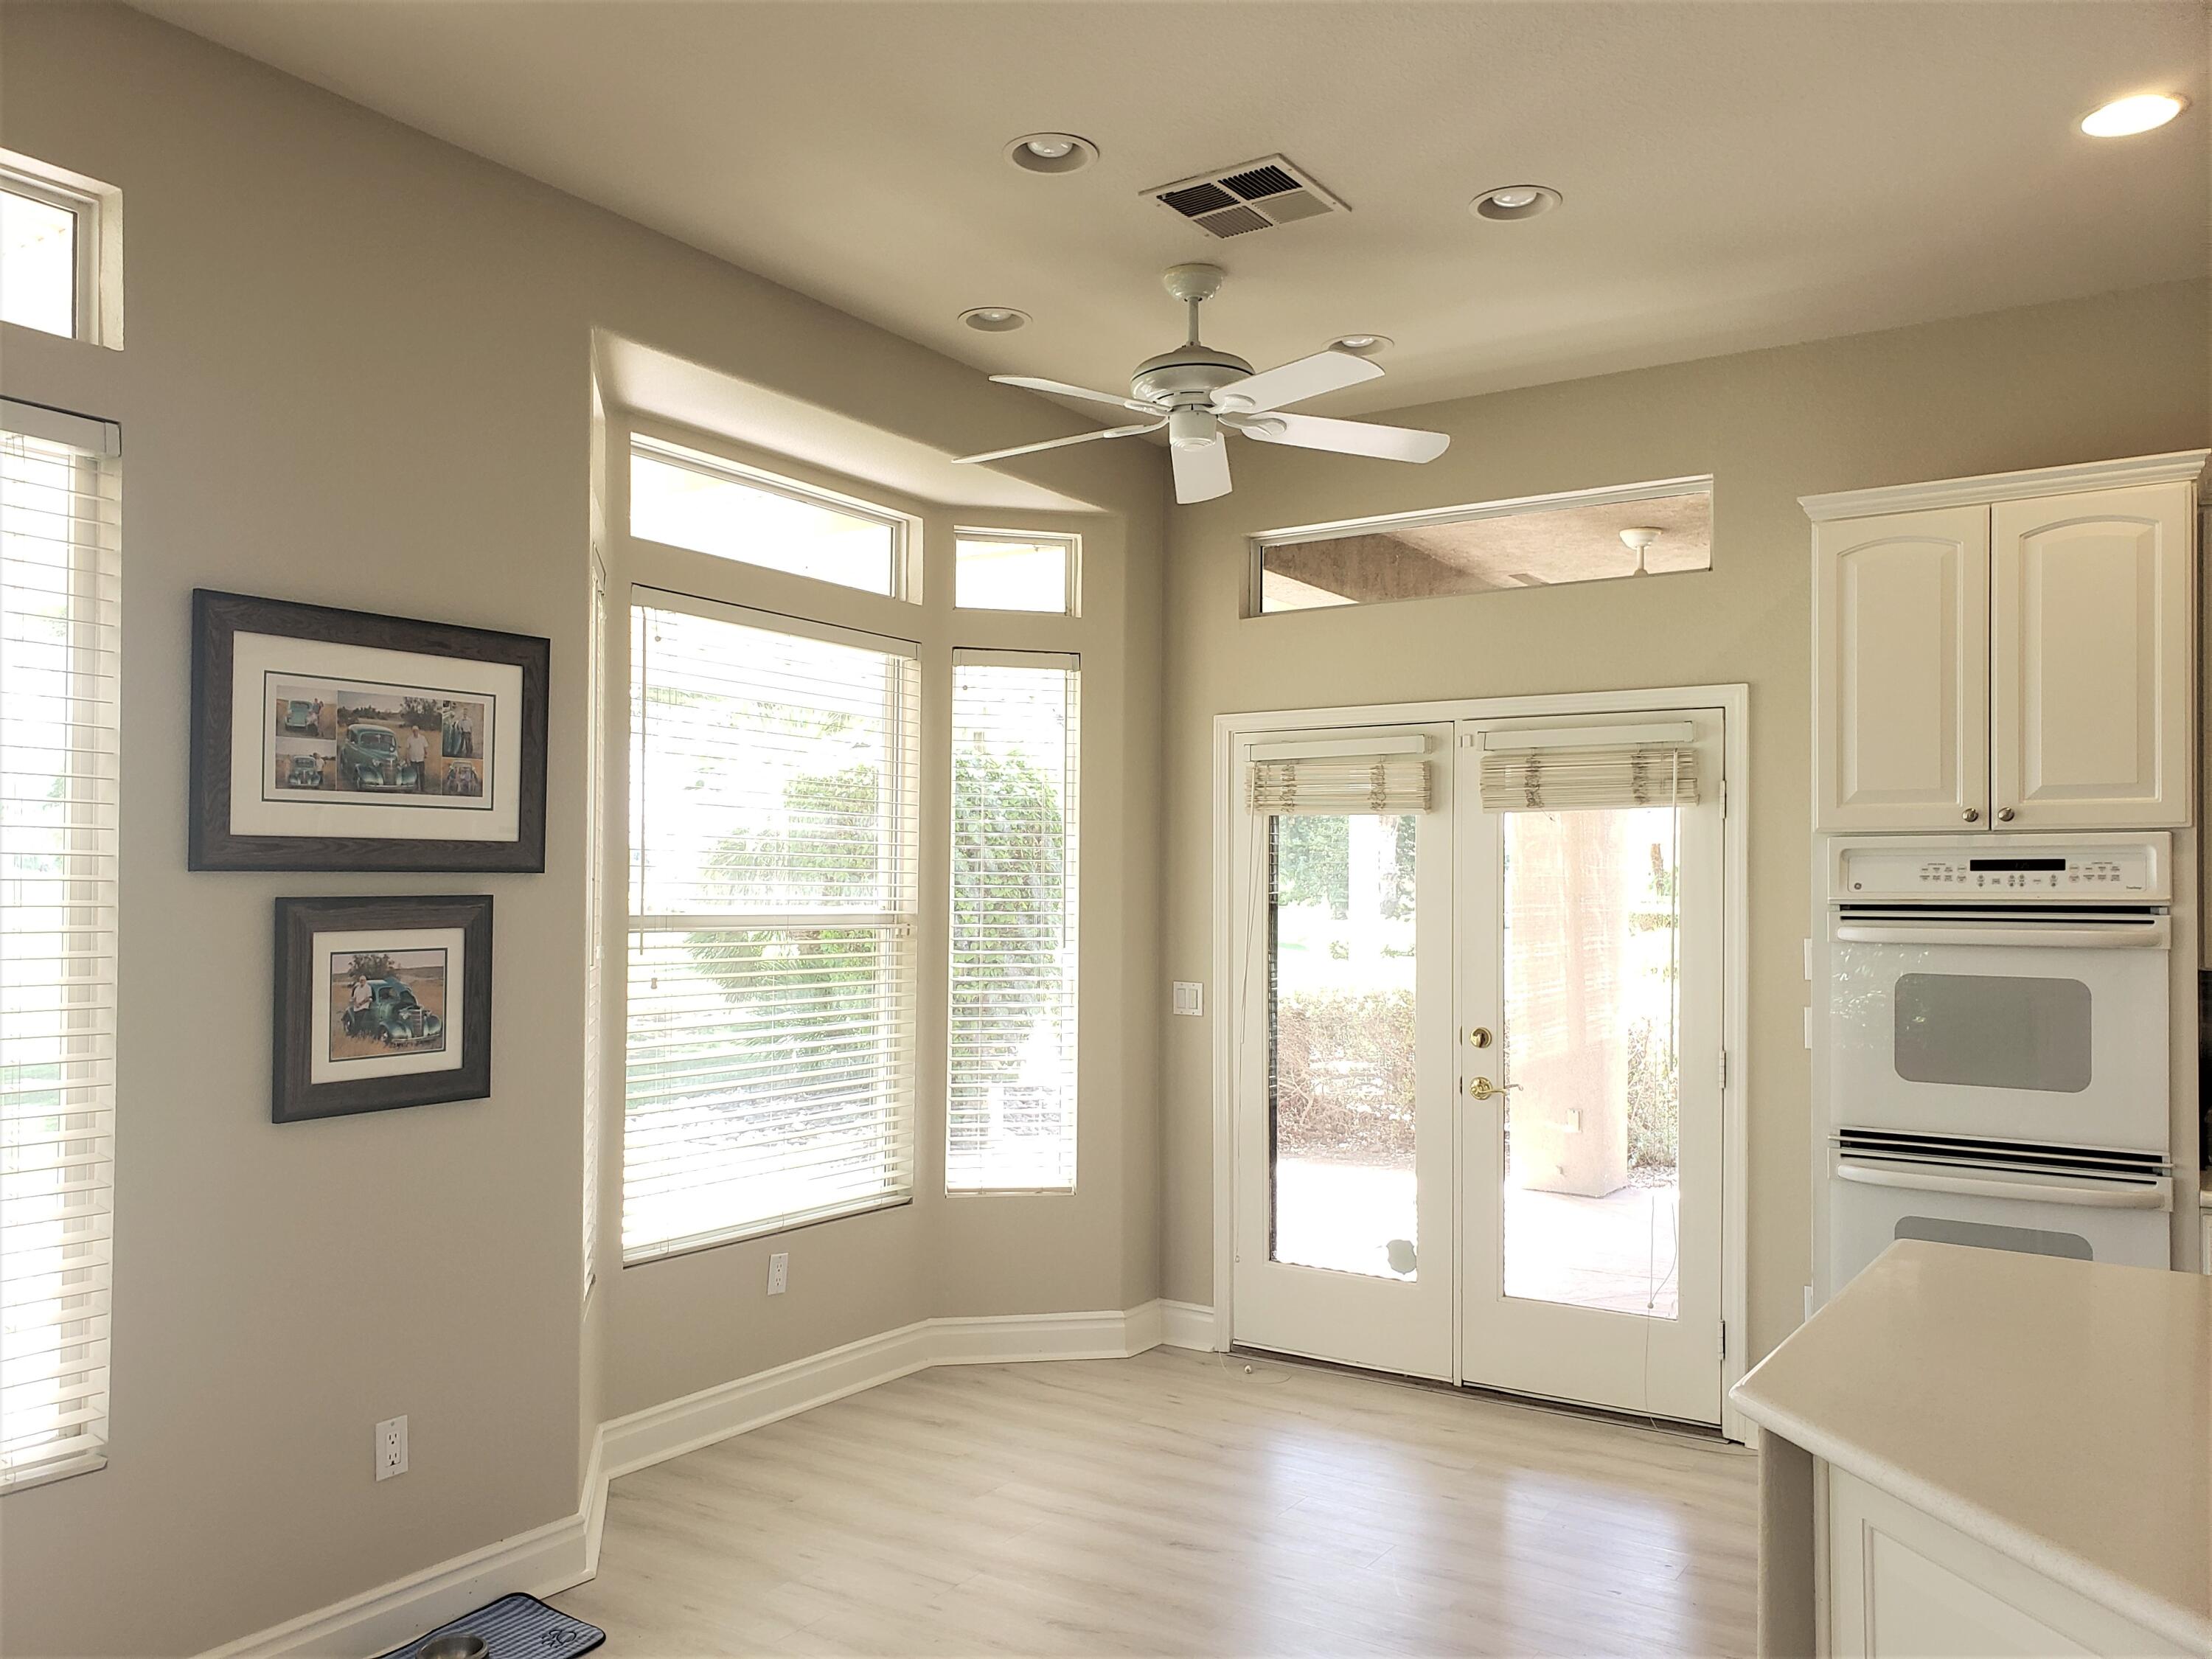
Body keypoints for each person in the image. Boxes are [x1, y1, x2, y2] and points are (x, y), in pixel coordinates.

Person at [406, 725, 430, 791]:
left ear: (418, 731)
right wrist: (407, 758)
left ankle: (422, 788)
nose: (415, 732)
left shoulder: (422, 738)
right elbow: (407, 749)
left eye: (416, 731)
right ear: (412, 731)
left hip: (421, 759)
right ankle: (415, 788)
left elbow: (425, 747)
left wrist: (426, 754)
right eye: (414, 731)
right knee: (414, 774)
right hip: (413, 759)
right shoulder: (409, 739)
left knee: (422, 774)